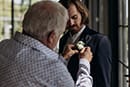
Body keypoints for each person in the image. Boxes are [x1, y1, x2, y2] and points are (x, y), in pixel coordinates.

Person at [0, 1, 93, 87]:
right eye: (59, 34)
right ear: (51, 37)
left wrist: (62, 59)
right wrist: (84, 64)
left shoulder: (3, 46)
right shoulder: (57, 73)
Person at [59, 0, 112, 87]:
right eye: (67, 19)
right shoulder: (63, 40)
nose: (71, 23)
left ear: (82, 13)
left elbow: (104, 82)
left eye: (74, 17)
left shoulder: (100, 41)